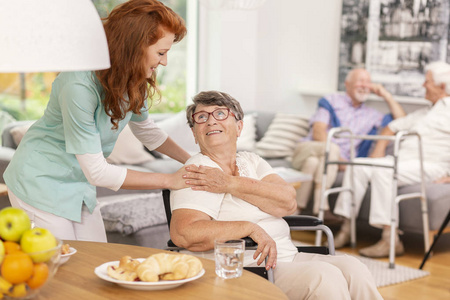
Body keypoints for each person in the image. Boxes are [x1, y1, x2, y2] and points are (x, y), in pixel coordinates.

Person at [3, 0, 190, 242]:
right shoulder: (78, 84)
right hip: (40, 181)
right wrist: (170, 180)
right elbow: (98, 173)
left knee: (96, 261)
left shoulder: (132, 80)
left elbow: (147, 131)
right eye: (161, 53)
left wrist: (193, 161)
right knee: (60, 268)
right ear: (134, 47)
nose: (164, 62)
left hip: (79, 184)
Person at [171, 91, 383, 299]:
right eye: (201, 117)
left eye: (219, 114)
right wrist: (248, 228)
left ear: (239, 127)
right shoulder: (198, 172)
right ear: (194, 133)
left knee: (354, 268)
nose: (210, 121)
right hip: (245, 267)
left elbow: (288, 201)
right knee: (324, 277)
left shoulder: (250, 160)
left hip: (287, 257)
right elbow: (185, 233)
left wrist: (231, 183)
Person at [333, 61, 450, 257]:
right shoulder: (426, 112)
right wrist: (378, 150)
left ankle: (390, 239)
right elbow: (394, 126)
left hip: (431, 166)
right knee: (358, 166)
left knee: (383, 170)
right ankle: (347, 228)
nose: (423, 85)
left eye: (427, 81)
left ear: (442, 86)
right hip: (403, 162)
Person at [291, 68, 406, 216]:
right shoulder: (331, 101)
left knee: (314, 163)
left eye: (368, 82)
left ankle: (295, 211)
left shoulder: (371, 115)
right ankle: (322, 207)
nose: (365, 85)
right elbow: (318, 132)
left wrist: (386, 95)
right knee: (331, 150)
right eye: (360, 81)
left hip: (324, 159)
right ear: (347, 84)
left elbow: (402, 121)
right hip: (309, 148)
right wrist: (341, 161)